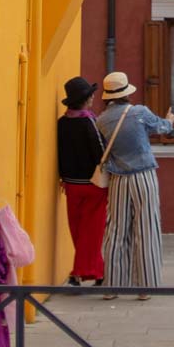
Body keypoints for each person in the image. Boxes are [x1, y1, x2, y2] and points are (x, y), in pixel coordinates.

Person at [96, 69, 174, 298]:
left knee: (116, 230)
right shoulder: (138, 112)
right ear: (126, 91)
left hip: (118, 178)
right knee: (146, 227)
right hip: (144, 176)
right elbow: (162, 128)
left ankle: (112, 286)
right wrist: (169, 120)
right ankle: (145, 287)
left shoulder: (102, 120)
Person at [57, 75, 107, 288]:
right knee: (93, 231)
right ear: (86, 99)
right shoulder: (89, 122)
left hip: (70, 183)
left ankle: (96, 271)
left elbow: (59, 152)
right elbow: (100, 152)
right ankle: (81, 272)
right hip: (93, 184)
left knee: (78, 229)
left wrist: (62, 174)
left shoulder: (62, 123)